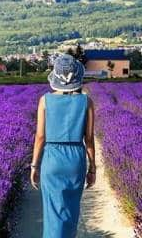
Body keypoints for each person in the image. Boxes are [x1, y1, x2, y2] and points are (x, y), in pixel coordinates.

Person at [30, 54, 96, 238]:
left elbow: (40, 136)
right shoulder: (86, 102)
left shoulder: (45, 100)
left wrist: (35, 165)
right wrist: (93, 170)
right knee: (71, 212)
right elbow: (89, 139)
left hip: (52, 157)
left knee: (53, 214)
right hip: (76, 159)